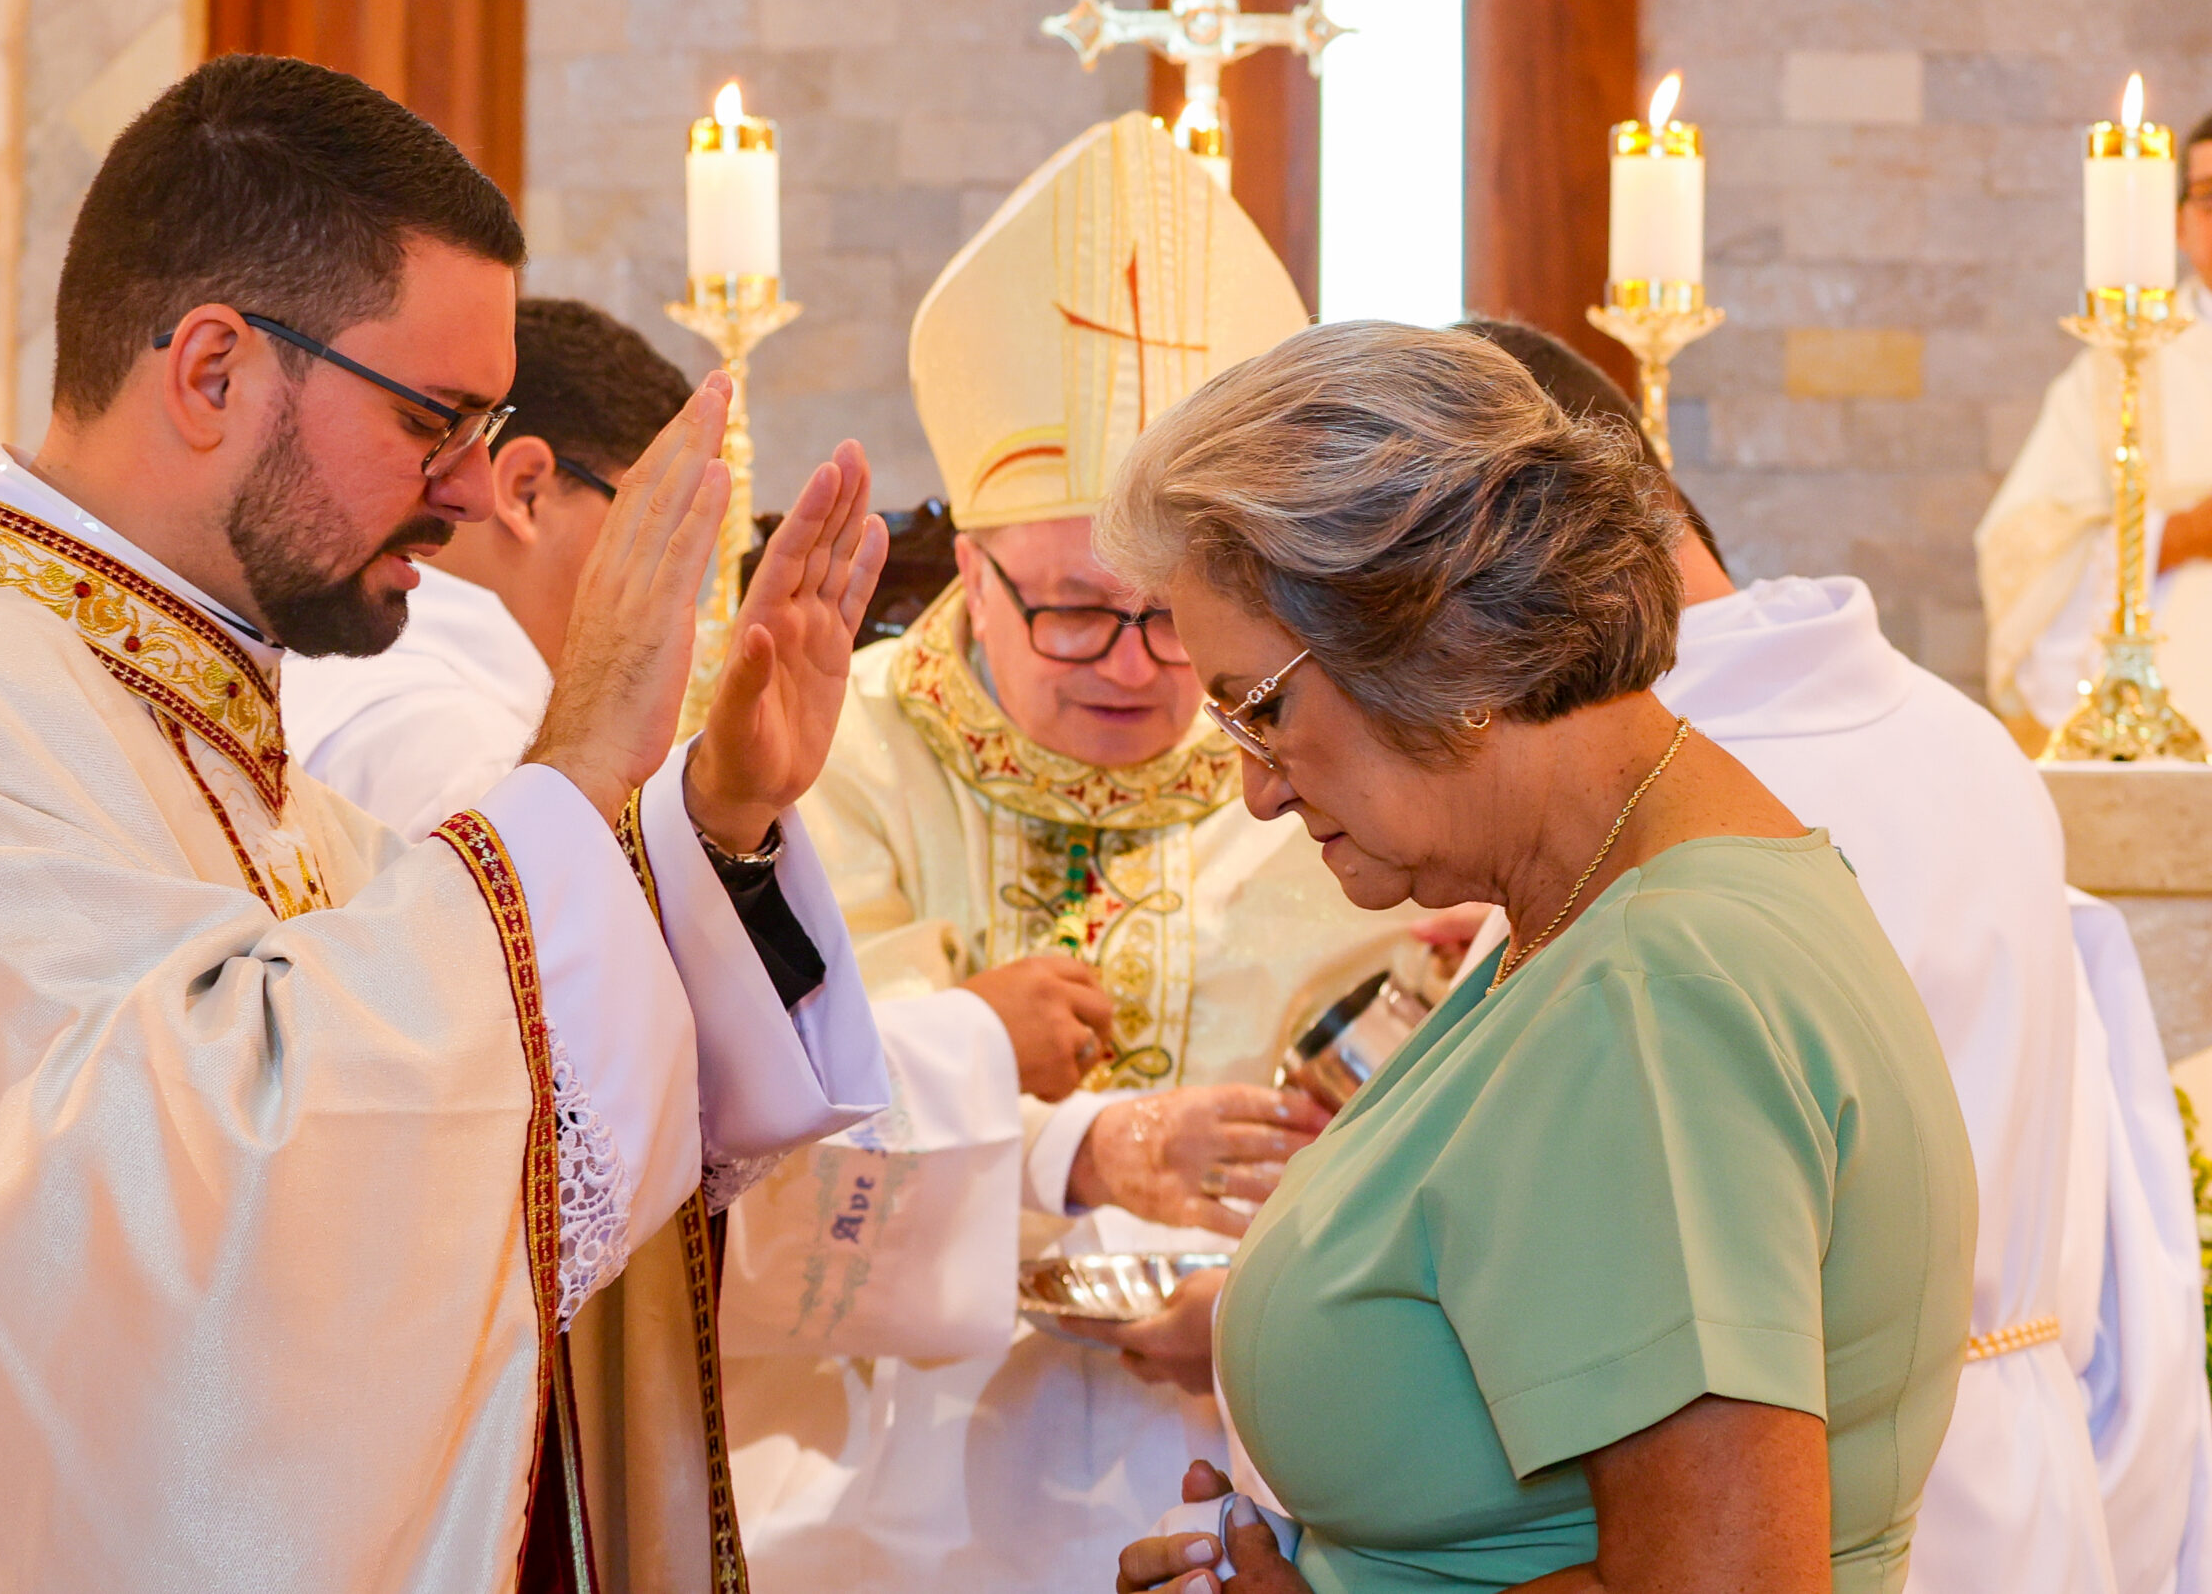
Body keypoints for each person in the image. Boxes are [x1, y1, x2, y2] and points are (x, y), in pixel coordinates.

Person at [0, 54, 894, 1593]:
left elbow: (497, 1076)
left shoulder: (178, 719)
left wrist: (721, 815)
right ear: (214, 372)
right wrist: (576, 760)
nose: (465, 491)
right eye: (433, 417)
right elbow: (173, 1262)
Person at [1104, 319, 1976, 1594]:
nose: (1258, 790)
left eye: (1261, 707)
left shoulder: (1652, 987)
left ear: (1433, 637)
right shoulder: (1607, 909)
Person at [716, 113, 1426, 1594]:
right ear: (970, 571)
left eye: (1177, 617)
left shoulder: (1329, 755)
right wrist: (1087, 1146)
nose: (1134, 666)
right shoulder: (832, 764)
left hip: (1254, 1441)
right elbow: (760, 1127)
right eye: (1075, 611)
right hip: (910, 1468)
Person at [1480, 318, 2212, 1594]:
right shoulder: (1963, 736)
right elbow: (2122, 1198)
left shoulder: (1632, 799)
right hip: (2031, 1478)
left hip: (1776, 1505)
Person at [283, 296, 691, 838]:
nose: (673, 583)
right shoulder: (464, 752)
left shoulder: (358, 667)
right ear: (527, 492)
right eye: (655, 524)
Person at [1979, 110, 2212, 737]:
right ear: (2177, 224)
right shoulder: (2117, 371)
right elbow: (2022, 547)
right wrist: (2181, 534)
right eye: (2210, 196)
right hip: (2168, 734)